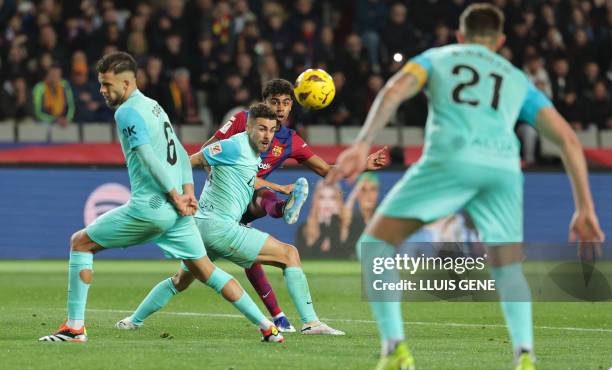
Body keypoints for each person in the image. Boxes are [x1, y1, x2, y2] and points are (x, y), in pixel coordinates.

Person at [327, 3, 604, 370]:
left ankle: (394, 349)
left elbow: (393, 90)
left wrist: (362, 144)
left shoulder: (437, 58)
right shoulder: (516, 78)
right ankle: (525, 357)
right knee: (509, 267)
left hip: (451, 159)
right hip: (503, 169)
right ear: (500, 41)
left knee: (374, 245)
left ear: (460, 36)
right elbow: (568, 140)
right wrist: (585, 208)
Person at [39, 52, 283, 344]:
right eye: (101, 84)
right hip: (177, 213)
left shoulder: (126, 112)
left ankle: (74, 328)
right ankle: (267, 327)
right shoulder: (154, 107)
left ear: (127, 82)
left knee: (80, 242)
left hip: (150, 208)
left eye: (107, 84)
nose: (102, 90)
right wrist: (187, 192)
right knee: (207, 271)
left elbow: (148, 157)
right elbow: (179, 152)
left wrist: (175, 195)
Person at [139, 78, 388, 332]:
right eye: (274, 102)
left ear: (292, 106)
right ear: (263, 104)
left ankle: (132, 321)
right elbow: (205, 153)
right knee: (279, 240)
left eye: (286, 103)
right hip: (225, 204)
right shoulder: (242, 122)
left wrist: (363, 165)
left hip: (227, 211)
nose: (280, 108)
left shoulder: (289, 140)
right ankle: (306, 318)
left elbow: (326, 170)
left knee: (182, 279)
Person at [117, 103, 344, 336]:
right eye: (261, 129)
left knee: (180, 281)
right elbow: (188, 161)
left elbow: (246, 179)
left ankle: (133, 321)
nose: (267, 136)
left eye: (272, 130)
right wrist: (173, 189)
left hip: (200, 229)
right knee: (289, 254)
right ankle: (311, 323)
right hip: (219, 228)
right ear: (247, 127)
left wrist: (278, 188)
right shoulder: (233, 146)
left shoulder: (252, 153)